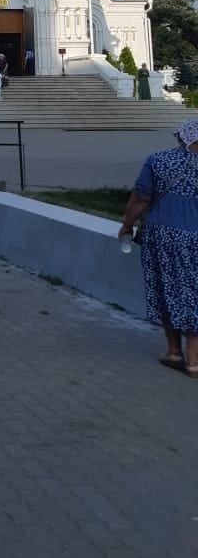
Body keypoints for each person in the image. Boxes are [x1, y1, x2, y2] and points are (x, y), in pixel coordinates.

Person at [118, 120, 198, 377]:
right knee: (193, 293)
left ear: (181, 137)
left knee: (166, 287)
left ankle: (175, 352)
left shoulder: (159, 160)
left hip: (162, 235)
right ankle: (193, 360)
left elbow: (141, 198)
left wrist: (127, 226)